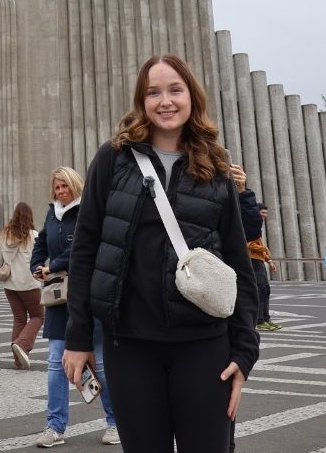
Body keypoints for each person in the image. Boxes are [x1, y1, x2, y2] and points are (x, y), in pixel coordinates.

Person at [64, 54, 260, 453]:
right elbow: (84, 250)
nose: (165, 101)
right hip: (130, 344)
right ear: (142, 101)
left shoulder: (215, 166)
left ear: (192, 97)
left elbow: (238, 263)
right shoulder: (113, 158)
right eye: (153, 92)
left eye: (175, 90)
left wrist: (244, 351)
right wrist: (78, 336)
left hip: (205, 346)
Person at [30, 167, 118, 447]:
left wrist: (52, 265)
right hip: (59, 297)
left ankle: (116, 422)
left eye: (64, 187)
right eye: (56, 188)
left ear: (75, 186)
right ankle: (55, 427)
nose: (60, 192)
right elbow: (41, 242)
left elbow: (83, 246)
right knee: (56, 364)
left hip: (86, 294)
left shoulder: (86, 211)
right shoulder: (51, 213)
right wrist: (37, 265)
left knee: (101, 363)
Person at [0, 202, 42, 369]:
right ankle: (22, 344)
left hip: (10, 285)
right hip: (29, 284)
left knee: (19, 318)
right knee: (39, 316)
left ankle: (17, 359)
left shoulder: (4, 236)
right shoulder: (34, 235)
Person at [228, 164, 278, 331]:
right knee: (257, 288)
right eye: (262, 213)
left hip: (257, 260)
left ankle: (264, 318)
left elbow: (254, 236)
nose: (264, 216)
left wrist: (268, 259)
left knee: (264, 289)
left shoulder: (250, 217)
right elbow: (248, 242)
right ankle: (259, 319)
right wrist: (262, 251)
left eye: (265, 214)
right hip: (249, 259)